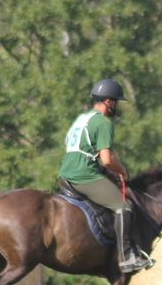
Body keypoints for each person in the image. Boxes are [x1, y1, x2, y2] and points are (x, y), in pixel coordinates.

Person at [58, 78, 154, 273]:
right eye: (116, 101)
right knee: (124, 207)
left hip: (65, 174)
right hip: (84, 175)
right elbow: (107, 160)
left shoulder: (82, 119)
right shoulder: (103, 122)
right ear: (108, 102)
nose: (116, 106)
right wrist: (122, 171)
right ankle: (127, 257)